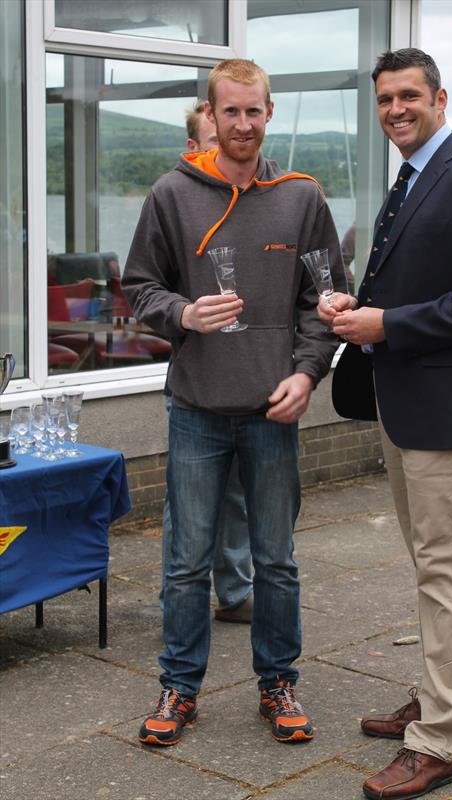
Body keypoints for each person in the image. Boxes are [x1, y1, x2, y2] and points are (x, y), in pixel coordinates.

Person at [318, 48, 452, 800]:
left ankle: (441, 736)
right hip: (408, 406)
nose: (396, 110)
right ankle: (440, 695)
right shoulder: (411, 180)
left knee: (447, 571)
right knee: (431, 564)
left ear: (439, 98)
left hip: (451, 412)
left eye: (409, 96)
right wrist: (351, 309)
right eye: (384, 100)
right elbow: (411, 283)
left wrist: (386, 323)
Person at [122, 58, 346, 748]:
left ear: (269, 114)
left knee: (275, 560)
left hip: (273, 411)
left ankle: (277, 683)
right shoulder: (171, 193)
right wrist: (184, 315)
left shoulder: (302, 197)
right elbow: (139, 286)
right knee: (186, 562)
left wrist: (308, 374)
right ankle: (179, 686)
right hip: (194, 410)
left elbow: (327, 299)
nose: (243, 124)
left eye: (255, 111)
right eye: (231, 112)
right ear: (210, 116)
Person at [161, 100, 254, 625]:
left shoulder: (265, 198)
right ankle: (180, 600)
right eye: (215, 138)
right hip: (194, 382)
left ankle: (236, 592)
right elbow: (147, 290)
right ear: (194, 147)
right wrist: (185, 313)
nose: (229, 144)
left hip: (251, 382)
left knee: (238, 497)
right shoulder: (175, 204)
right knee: (188, 507)